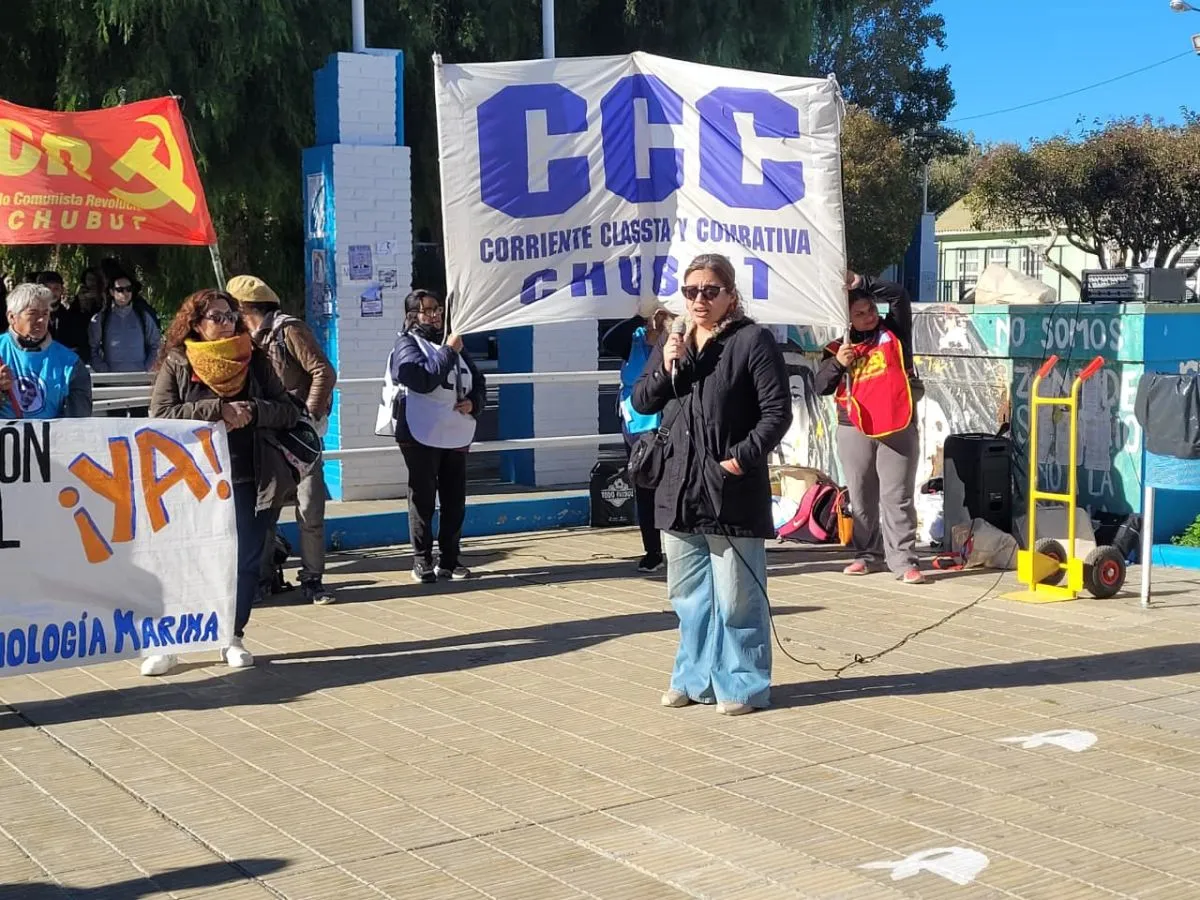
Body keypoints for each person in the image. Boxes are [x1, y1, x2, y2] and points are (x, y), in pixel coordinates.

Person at [632, 254, 791, 716]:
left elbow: (776, 413)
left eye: (709, 291)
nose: (699, 299)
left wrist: (739, 460)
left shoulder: (752, 341)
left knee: (737, 596)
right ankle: (694, 678)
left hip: (729, 487)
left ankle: (744, 684)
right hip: (678, 486)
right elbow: (644, 398)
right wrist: (665, 363)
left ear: (730, 295)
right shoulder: (674, 338)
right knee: (688, 596)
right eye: (691, 291)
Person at [143, 289, 299, 676]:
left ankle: (232, 635)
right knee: (183, 559)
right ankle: (169, 641)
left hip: (248, 475)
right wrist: (218, 411)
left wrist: (254, 410)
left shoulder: (254, 358)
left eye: (232, 316)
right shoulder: (179, 361)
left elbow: (287, 411)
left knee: (244, 561)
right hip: (190, 482)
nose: (227, 323)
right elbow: (160, 413)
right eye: (217, 317)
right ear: (196, 324)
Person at [226, 274, 338, 606]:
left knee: (309, 508)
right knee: (265, 510)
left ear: (244, 307)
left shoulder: (288, 330)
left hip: (298, 435)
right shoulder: (243, 337)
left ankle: (313, 580)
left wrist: (309, 417)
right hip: (265, 432)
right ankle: (263, 579)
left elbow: (323, 372)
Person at [814, 271, 925, 585]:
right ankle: (867, 556)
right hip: (853, 427)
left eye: (871, 310)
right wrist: (838, 364)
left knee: (897, 496)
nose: (868, 318)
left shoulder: (895, 333)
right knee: (862, 497)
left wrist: (861, 283)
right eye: (859, 314)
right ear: (847, 319)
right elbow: (820, 385)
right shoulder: (838, 347)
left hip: (897, 425)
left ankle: (904, 561)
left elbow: (899, 294)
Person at [389, 289, 485, 584]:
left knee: (454, 498)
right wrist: (449, 351)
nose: (435, 315)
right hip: (420, 434)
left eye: (438, 310)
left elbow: (478, 381)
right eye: (428, 310)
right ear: (412, 315)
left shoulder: (451, 342)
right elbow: (422, 379)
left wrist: (474, 402)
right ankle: (422, 560)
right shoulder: (406, 344)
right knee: (423, 497)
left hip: (455, 431)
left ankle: (450, 559)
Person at [602, 308, 674, 573]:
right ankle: (652, 550)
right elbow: (608, 341)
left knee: (672, 486)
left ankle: (681, 545)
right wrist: (638, 317)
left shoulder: (673, 339)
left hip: (668, 420)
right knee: (644, 485)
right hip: (637, 424)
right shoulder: (634, 338)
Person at [0, 283, 93, 418]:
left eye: (45, 313)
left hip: (53, 437)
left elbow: (77, 422)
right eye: (33, 313)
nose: (42, 320)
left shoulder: (70, 363)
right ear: (12, 317)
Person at [89, 272, 161, 373]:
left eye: (128, 289)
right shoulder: (100, 319)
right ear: (111, 292)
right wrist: (105, 371)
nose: (124, 293)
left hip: (140, 381)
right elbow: (92, 350)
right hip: (110, 383)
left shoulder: (143, 316)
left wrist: (146, 369)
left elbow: (156, 346)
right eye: (119, 290)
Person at [49, 269, 102, 363]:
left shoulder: (72, 319)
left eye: (56, 288)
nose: (52, 292)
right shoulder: (32, 319)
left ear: (62, 290)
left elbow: (84, 350)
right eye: (48, 288)